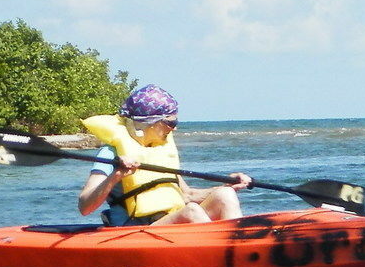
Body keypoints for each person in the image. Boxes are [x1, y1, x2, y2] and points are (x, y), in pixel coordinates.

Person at [77, 84, 253, 225]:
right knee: (191, 211)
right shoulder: (111, 153)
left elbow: (187, 195)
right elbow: (85, 206)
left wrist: (227, 186)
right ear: (149, 123)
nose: (174, 128)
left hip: (168, 222)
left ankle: (237, 245)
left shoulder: (161, 150)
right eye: (170, 122)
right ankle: (225, 252)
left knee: (225, 195)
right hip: (135, 230)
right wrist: (116, 176)